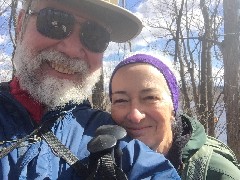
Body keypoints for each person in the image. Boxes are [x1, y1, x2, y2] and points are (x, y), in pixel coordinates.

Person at [0, 0, 181, 179]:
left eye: (95, 35)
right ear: (20, 24)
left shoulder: (112, 141)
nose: (71, 50)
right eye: (54, 22)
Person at [109, 53, 240, 179]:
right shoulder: (105, 164)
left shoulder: (217, 173)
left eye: (150, 97)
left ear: (173, 108)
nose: (135, 115)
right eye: (121, 100)